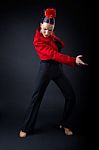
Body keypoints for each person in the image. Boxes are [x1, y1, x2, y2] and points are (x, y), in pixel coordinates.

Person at [19, 8, 88, 138]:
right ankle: (26, 127)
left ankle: (65, 124)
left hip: (57, 69)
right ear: (40, 25)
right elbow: (54, 55)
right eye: (45, 29)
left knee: (71, 96)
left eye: (50, 30)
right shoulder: (37, 41)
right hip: (46, 69)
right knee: (36, 98)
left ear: (53, 27)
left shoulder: (51, 35)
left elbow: (59, 44)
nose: (47, 32)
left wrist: (53, 36)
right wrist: (74, 60)